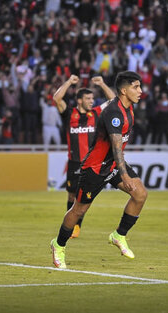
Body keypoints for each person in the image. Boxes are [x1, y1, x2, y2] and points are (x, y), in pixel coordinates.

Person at [50, 71, 148, 268]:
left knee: (140, 194)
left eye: (140, 86)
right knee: (79, 209)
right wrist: (124, 174)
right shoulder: (113, 112)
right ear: (123, 90)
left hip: (111, 164)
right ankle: (58, 245)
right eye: (136, 87)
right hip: (94, 168)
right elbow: (116, 146)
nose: (140, 91)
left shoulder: (127, 109)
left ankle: (119, 235)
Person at [52, 74, 115, 238]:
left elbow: (115, 101)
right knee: (71, 195)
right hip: (74, 163)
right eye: (88, 98)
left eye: (92, 98)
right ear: (79, 100)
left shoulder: (95, 113)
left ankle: (76, 226)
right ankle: (70, 225)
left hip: (91, 164)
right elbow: (57, 98)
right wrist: (68, 82)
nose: (91, 101)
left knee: (83, 198)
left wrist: (102, 84)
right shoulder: (69, 114)